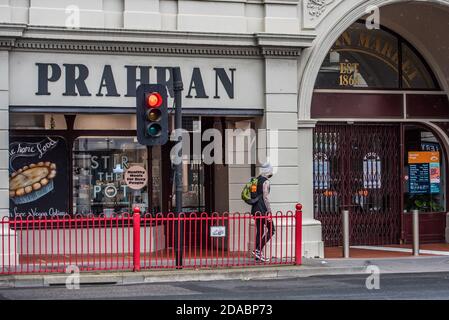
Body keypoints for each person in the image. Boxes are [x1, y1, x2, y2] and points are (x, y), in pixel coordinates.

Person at [251, 162, 275, 262]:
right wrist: (269, 211)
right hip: (263, 210)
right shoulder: (266, 182)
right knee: (271, 230)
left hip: (255, 209)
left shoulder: (255, 180)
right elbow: (265, 197)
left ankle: (257, 254)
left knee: (260, 231)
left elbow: (253, 195)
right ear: (268, 171)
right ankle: (258, 250)